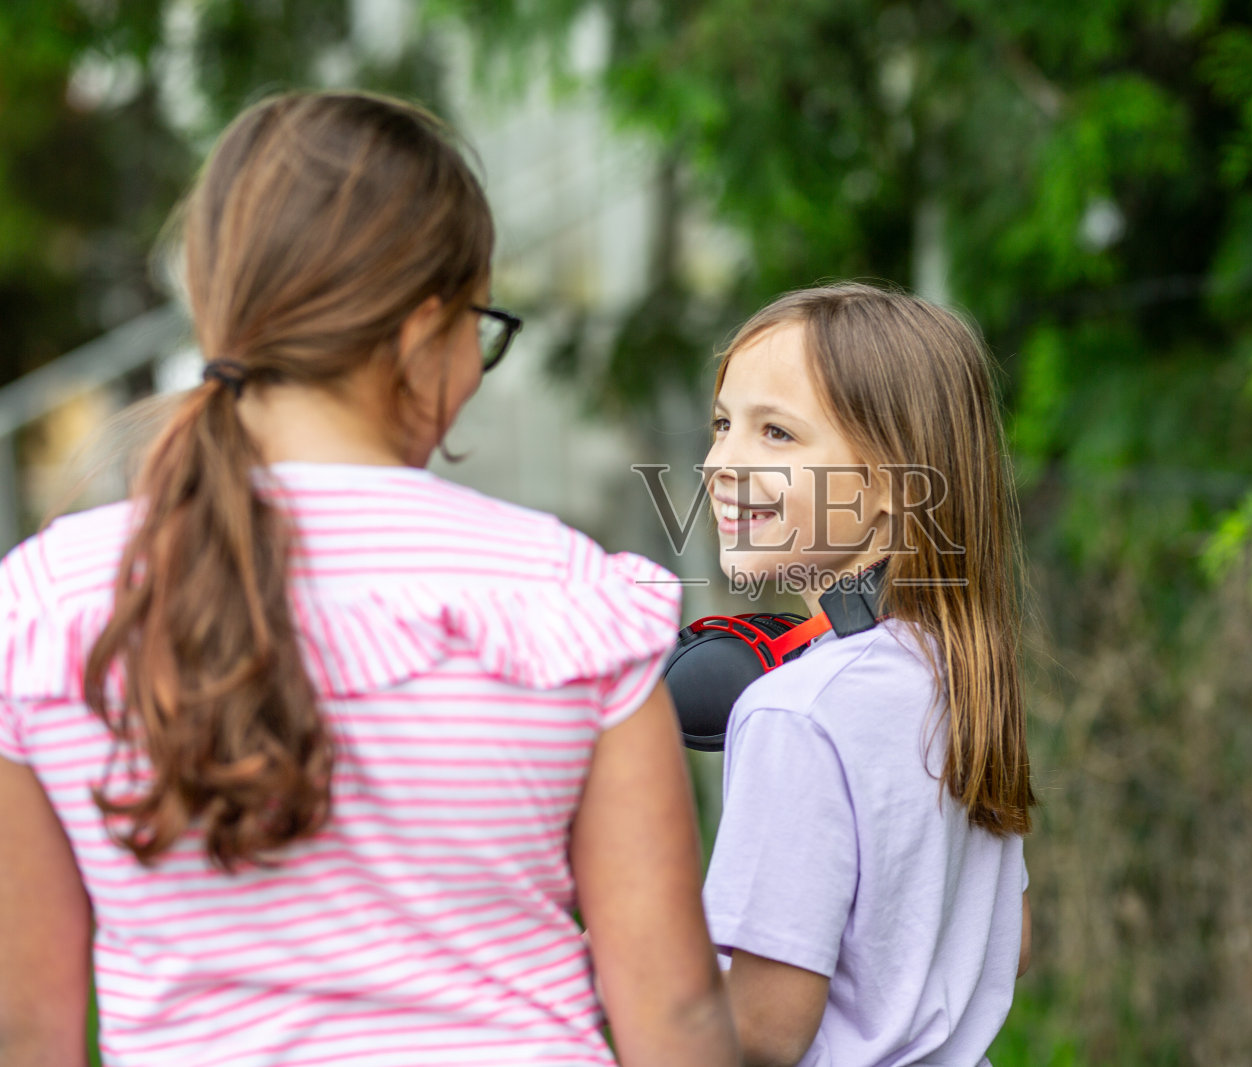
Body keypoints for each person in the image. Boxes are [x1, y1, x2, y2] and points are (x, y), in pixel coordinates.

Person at [0, 91, 737, 1067]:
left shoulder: (47, 608)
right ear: (422, 332)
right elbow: (674, 1016)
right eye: (481, 326)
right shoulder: (566, 600)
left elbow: (28, 1029)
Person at [701, 282, 1035, 1066]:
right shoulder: (960, 671)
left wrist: (627, 960)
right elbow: (1010, 942)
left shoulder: (794, 711)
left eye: (775, 432)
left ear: (887, 488)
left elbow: (763, 1031)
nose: (720, 463)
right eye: (721, 424)